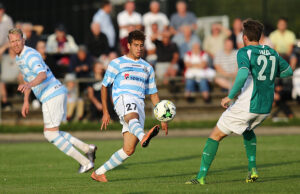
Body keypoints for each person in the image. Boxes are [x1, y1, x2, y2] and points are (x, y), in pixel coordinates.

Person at [185, 19, 293, 185]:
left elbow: (242, 75)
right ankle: (253, 170)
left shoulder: (245, 52)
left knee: (215, 136)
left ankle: (200, 177)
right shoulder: (272, 52)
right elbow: (288, 71)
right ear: (260, 36)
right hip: (265, 107)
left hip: (248, 104)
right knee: (247, 130)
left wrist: (230, 96)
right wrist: (268, 76)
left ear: (244, 37)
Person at [8, 28, 97, 173]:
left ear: (23, 40)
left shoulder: (29, 55)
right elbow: (27, 77)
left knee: (50, 134)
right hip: (53, 94)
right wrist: (25, 100)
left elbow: (42, 75)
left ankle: (85, 162)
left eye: (18, 40)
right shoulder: (19, 57)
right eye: (12, 41)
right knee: (54, 132)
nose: (16, 43)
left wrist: (28, 85)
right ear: (10, 43)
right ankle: (88, 148)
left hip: (51, 94)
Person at [91, 30, 168, 182]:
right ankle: (143, 136)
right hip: (123, 98)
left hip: (139, 103)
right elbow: (104, 86)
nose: (139, 48)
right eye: (136, 45)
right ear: (128, 45)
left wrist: (162, 118)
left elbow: (153, 94)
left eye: (141, 45)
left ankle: (98, 172)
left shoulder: (148, 67)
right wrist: (105, 112)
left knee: (128, 149)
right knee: (133, 117)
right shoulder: (116, 63)